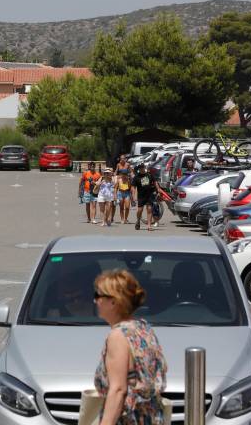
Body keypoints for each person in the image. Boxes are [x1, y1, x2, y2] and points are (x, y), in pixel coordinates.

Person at [94, 269, 167, 425]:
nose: (95, 301)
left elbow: (119, 389)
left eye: (99, 296)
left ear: (114, 301)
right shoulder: (143, 329)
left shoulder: (118, 336)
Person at [131, 164, 162, 231]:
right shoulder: (136, 177)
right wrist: (133, 196)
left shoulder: (149, 175)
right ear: (138, 169)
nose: (141, 169)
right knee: (140, 210)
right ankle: (138, 220)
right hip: (141, 196)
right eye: (140, 168)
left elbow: (155, 182)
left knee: (149, 209)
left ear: (144, 168)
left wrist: (158, 189)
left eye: (142, 167)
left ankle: (149, 226)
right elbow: (133, 187)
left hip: (149, 195)